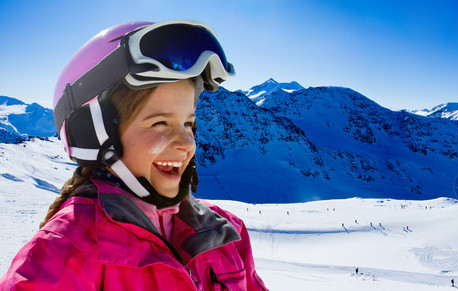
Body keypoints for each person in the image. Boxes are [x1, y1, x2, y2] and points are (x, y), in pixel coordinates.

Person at [0, 20, 266, 290]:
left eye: (188, 124)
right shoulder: (65, 251)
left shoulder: (226, 235)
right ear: (94, 133)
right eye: (159, 123)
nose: (186, 143)